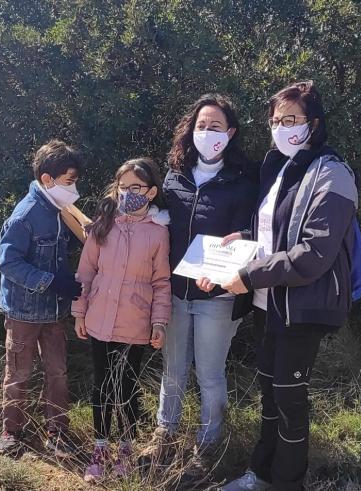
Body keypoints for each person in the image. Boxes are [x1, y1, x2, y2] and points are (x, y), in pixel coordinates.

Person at [218, 81, 359, 491]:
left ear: (313, 123)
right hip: (270, 303)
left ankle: (286, 483)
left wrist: (246, 276)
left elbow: (313, 253)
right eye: (276, 120)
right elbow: (274, 233)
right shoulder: (280, 167)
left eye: (291, 119)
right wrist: (244, 239)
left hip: (303, 306)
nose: (281, 127)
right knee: (269, 394)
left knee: (290, 400)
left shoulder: (333, 174)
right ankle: (260, 475)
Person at [137, 94, 257, 478]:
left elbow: (255, 233)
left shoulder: (244, 180)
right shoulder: (174, 175)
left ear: (231, 133)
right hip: (174, 291)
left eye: (216, 126)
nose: (207, 133)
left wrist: (225, 270)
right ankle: (164, 435)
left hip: (216, 296)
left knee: (209, 373)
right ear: (191, 131)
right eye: (201, 126)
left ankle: (207, 450)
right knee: (173, 370)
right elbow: (161, 220)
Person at [72, 157, 172, 483]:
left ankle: (126, 449)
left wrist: (159, 322)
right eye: (123, 186)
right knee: (101, 386)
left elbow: (161, 283)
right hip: (100, 319)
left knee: (126, 388)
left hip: (135, 324)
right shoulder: (103, 224)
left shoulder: (158, 233)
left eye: (136, 187)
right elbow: (85, 272)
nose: (128, 193)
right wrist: (79, 311)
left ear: (152, 191)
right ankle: (100, 448)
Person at [0, 140, 85, 458]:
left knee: (57, 371)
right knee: (18, 372)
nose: (74, 188)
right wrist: (50, 282)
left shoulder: (61, 210)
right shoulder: (26, 215)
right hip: (23, 311)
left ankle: (57, 431)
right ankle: (12, 432)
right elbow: (8, 263)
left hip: (53, 312)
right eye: (69, 181)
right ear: (48, 179)